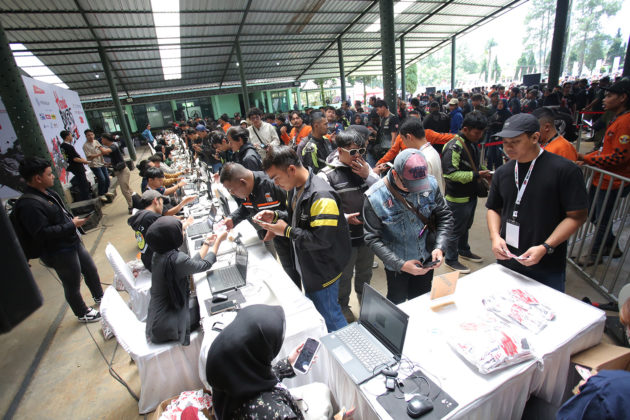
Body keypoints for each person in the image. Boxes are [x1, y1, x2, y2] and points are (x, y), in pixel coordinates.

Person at [487, 113, 588, 292]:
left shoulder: (565, 170)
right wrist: (495, 236)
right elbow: (493, 208)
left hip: (546, 262)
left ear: (535, 137)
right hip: (508, 258)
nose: (508, 148)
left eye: (515, 142)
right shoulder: (503, 172)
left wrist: (546, 246)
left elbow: (577, 216)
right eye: (505, 142)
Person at [254, 146, 350, 332]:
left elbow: (321, 240)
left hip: (323, 270)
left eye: (276, 178)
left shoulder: (322, 196)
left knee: (330, 317)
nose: (276, 184)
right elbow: (299, 217)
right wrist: (276, 215)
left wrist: (286, 231)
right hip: (309, 265)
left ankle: (347, 347)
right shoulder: (296, 187)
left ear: (291, 169)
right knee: (320, 313)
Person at [14, 157, 103, 322]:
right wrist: (71, 225)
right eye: (49, 174)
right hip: (58, 251)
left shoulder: (48, 193)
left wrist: (72, 225)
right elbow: (42, 233)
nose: (53, 177)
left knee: (90, 269)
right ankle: (82, 312)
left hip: (72, 241)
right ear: (37, 178)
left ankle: (99, 296)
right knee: (72, 282)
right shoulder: (29, 205)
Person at [206, 305, 331, 420]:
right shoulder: (275, 413)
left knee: (321, 389)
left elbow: (255, 380)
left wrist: (288, 364)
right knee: (322, 392)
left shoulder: (227, 373)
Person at [363, 149, 453, 304]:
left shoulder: (431, 184)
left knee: (421, 300)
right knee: (397, 302)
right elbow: (372, 238)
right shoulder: (375, 197)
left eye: (419, 184)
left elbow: (445, 216)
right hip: (397, 265)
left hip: (426, 258)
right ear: (395, 174)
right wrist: (401, 265)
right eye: (408, 184)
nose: (413, 190)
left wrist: (440, 247)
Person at [317, 130, 378, 321]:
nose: (357, 155)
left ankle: (365, 305)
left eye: (361, 151)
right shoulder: (326, 175)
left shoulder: (364, 168)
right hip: (344, 239)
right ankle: (343, 307)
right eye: (352, 152)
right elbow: (322, 209)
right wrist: (343, 218)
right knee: (343, 277)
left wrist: (368, 175)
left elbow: (381, 192)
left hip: (367, 235)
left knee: (365, 274)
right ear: (339, 151)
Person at [145, 217, 226, 345]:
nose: (183, 233)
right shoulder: (176, 260)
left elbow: (190, 264)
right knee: (211, 310)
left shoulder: (160, 254)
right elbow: (205, 265)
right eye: (181, 231)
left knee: (202, 300)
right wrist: (218, 242)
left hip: (157, 320)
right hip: (167, 326)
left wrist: (206, 243)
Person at [218, 162, 301, 289]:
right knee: (289, 274)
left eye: (231, 189)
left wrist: (276, 221)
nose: (232, 193)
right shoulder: (245, 191)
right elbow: (246, 208)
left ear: (243, 182)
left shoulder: (273, 184)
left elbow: (296, 212)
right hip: (279, 240)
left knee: (301, 272)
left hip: (295, 237)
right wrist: (232, 219)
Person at [577, 79, 630, 266]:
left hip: (612, 182)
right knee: (592, 213)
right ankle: (611, 245)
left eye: (609, 96)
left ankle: (595, 254)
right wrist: (588, 157)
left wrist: (588, 159)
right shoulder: (616, 118)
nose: (604, 100)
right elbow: (604, 150)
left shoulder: (625, 122)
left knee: (602, 220)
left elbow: (619, 157)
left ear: (622, 98)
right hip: (601, 177)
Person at [441, 111, 492, 274]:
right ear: (465, 129)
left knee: (465, 226)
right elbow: (450, 174)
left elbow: (473, 165)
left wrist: (484, 171)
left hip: (470, 195)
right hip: (457, 198)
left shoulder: (471, 143)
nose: (480, 136)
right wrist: (476, 175)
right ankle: (451, 259)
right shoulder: (453, 147)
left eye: (481, 132)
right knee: (455, 230)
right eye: (477, 133)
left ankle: (464, 250)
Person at [398, 118, 445, 193]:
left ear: (409, 137)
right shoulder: (432, 151)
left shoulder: (421, 160)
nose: (404, 143)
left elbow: (421, 193)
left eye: (402, 139)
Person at [99, 133, 133, 213]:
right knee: (127, 189)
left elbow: (105, 152)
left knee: (125, 190)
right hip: (119, 171)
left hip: (123, 171)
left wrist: (98, 145)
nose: (101, 140)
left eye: (102, 139)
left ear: (106, 139)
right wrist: (109, 164)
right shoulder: (112, 146)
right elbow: (116, 159)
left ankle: (131, 206)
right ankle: (136, 201)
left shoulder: (113, 146)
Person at [59, 130, 91, 201]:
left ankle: (85, 198)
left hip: (72, 167)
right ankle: (87, 199)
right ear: (67, 136)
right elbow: (75, 158)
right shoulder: (68, 146)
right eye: (70, 135)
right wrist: (85, 161)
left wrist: (82, 160)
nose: (72, 137)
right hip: (77, 167)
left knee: (81, 183)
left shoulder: (62, 146)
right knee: (83, 183)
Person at [82, 129, 111, 202]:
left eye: (92, 134)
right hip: (94, 165)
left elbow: (102, 149)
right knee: (102, 179)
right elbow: (89, 156)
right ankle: (101, 194)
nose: (91, 136)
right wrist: (99, 154)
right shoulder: (85, 146)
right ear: (86, 136)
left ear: (94, 135)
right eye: (88, 135)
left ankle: (106, 191)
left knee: (107, 178)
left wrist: (103, 159)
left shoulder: (96, 142)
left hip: (101, 163)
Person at [485, 98, 511, 170]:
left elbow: (507, 125)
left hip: (501, 136)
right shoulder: (496, 113)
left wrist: (498, 124)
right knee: (490, 154)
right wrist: (493, 124)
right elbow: (490, 122)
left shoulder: (507, 114)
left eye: (501, 104)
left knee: (498, 154)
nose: (500, 105)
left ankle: (499, 169)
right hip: (493, 135)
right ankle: (489, 169)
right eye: (499, 104)